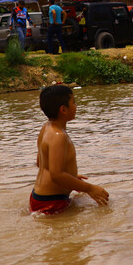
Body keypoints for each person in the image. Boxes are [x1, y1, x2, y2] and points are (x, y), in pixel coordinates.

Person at [31, 85, 109, 215]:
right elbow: (56, 175)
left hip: (39, 197)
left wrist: (71, 176)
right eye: (73, 102)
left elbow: (41, 163)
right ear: (64, 110)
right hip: (51, 202)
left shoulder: (46, 128)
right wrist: (89, 188)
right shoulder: (59, 137)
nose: (76, 105)